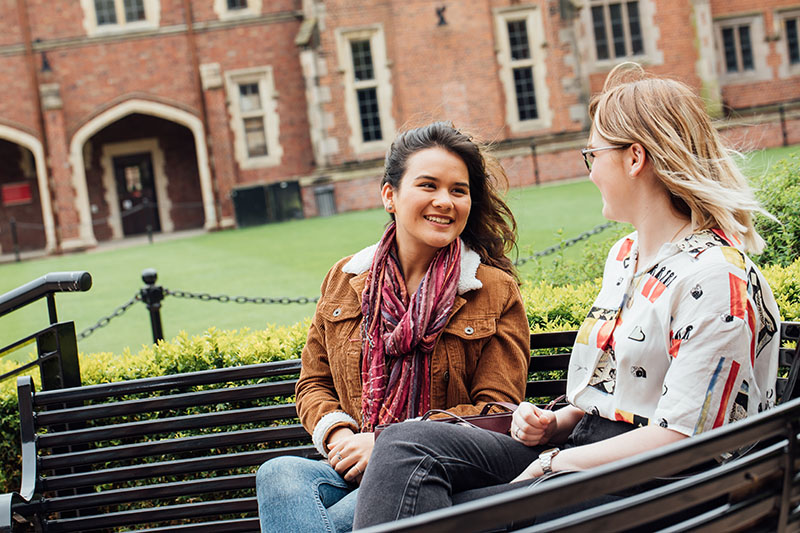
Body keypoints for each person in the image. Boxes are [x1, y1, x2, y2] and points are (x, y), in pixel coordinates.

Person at [353, 63, 782, 530]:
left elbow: (682, 439)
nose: (591, 169)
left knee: (433, 510)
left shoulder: (716, 277)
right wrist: (558, 423)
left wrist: (554, 463)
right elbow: (623, 381)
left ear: (634, 158)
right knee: (402, 445)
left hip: (658, 485)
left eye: (593, 154)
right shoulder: (626, 255)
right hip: (588, 446)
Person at [255, 121, 531, 533]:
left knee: (339, 516)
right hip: (352, 459)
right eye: (428, 186)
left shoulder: (492, 291)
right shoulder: (345, 279)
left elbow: (494, 412)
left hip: (440, 469)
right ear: (390, 195)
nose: (445, 201)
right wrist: (340, 437)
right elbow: (313, 383)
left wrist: (386, 445)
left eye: (459, 190)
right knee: (278, 473)